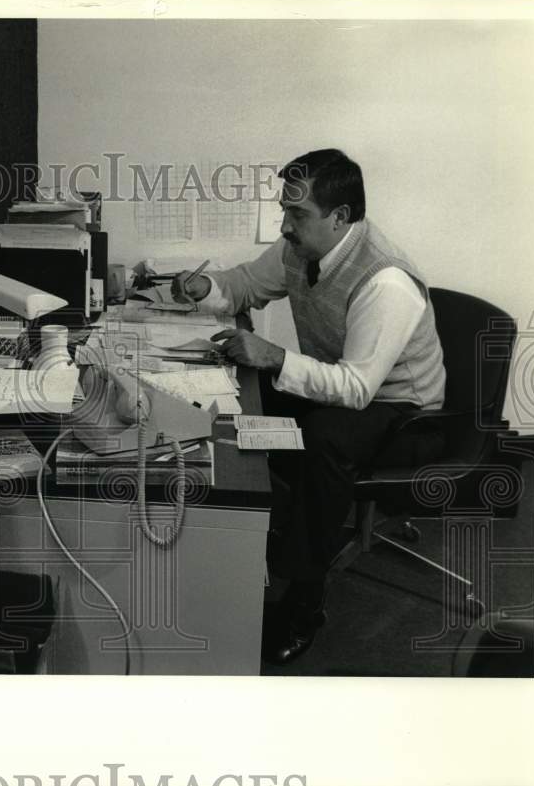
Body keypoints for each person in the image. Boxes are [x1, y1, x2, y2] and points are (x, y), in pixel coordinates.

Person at [171, 148, 446, 664]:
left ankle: (304, 594)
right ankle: (257, 532)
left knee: (323, 439)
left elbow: (357, 389)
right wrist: (203, 285)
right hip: (341, 383)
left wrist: (275, 356)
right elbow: (244, 287)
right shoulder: (300, 248)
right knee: (242, 386)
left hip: (404, 410)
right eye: (284, 210)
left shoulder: (385, 281)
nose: (286, 226)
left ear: (340, 217)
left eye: (298, 214)